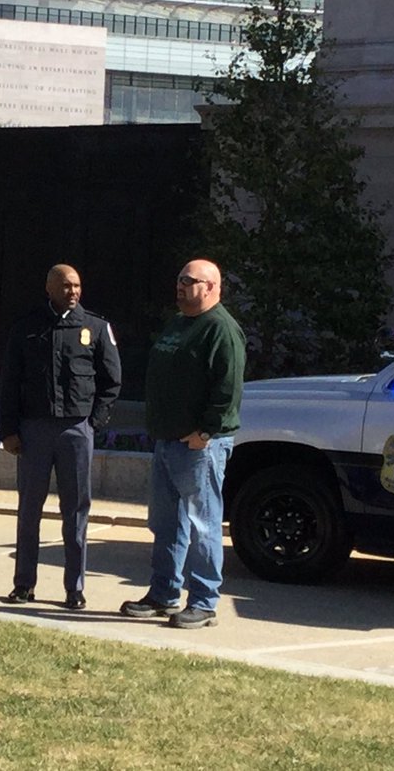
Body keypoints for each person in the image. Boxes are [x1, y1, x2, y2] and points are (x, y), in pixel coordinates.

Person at [120, 259, 245, 630]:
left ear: (210, 287)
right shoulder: (179, 324)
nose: (180, 285)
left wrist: (205, 433)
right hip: (166, 442)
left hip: (199, 447)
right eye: (178, 279)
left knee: (203, 525)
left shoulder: (221, 329)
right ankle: (163, 593)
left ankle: (204, 602)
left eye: (189, 281)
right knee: (166, 523)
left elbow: (227, 389)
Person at [0, 264, 121, 611]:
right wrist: (9, 430)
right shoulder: (27, 327)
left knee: (76, 512)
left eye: (77, 286)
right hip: (34, 431)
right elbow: (10, 383)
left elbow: (112, 381)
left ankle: (74, 589)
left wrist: (93, 423)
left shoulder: (95, 327)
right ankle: (24, 584)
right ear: (49, 287)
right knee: (29, 510)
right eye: (66, 286)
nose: (73, 292)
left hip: (76, 431)